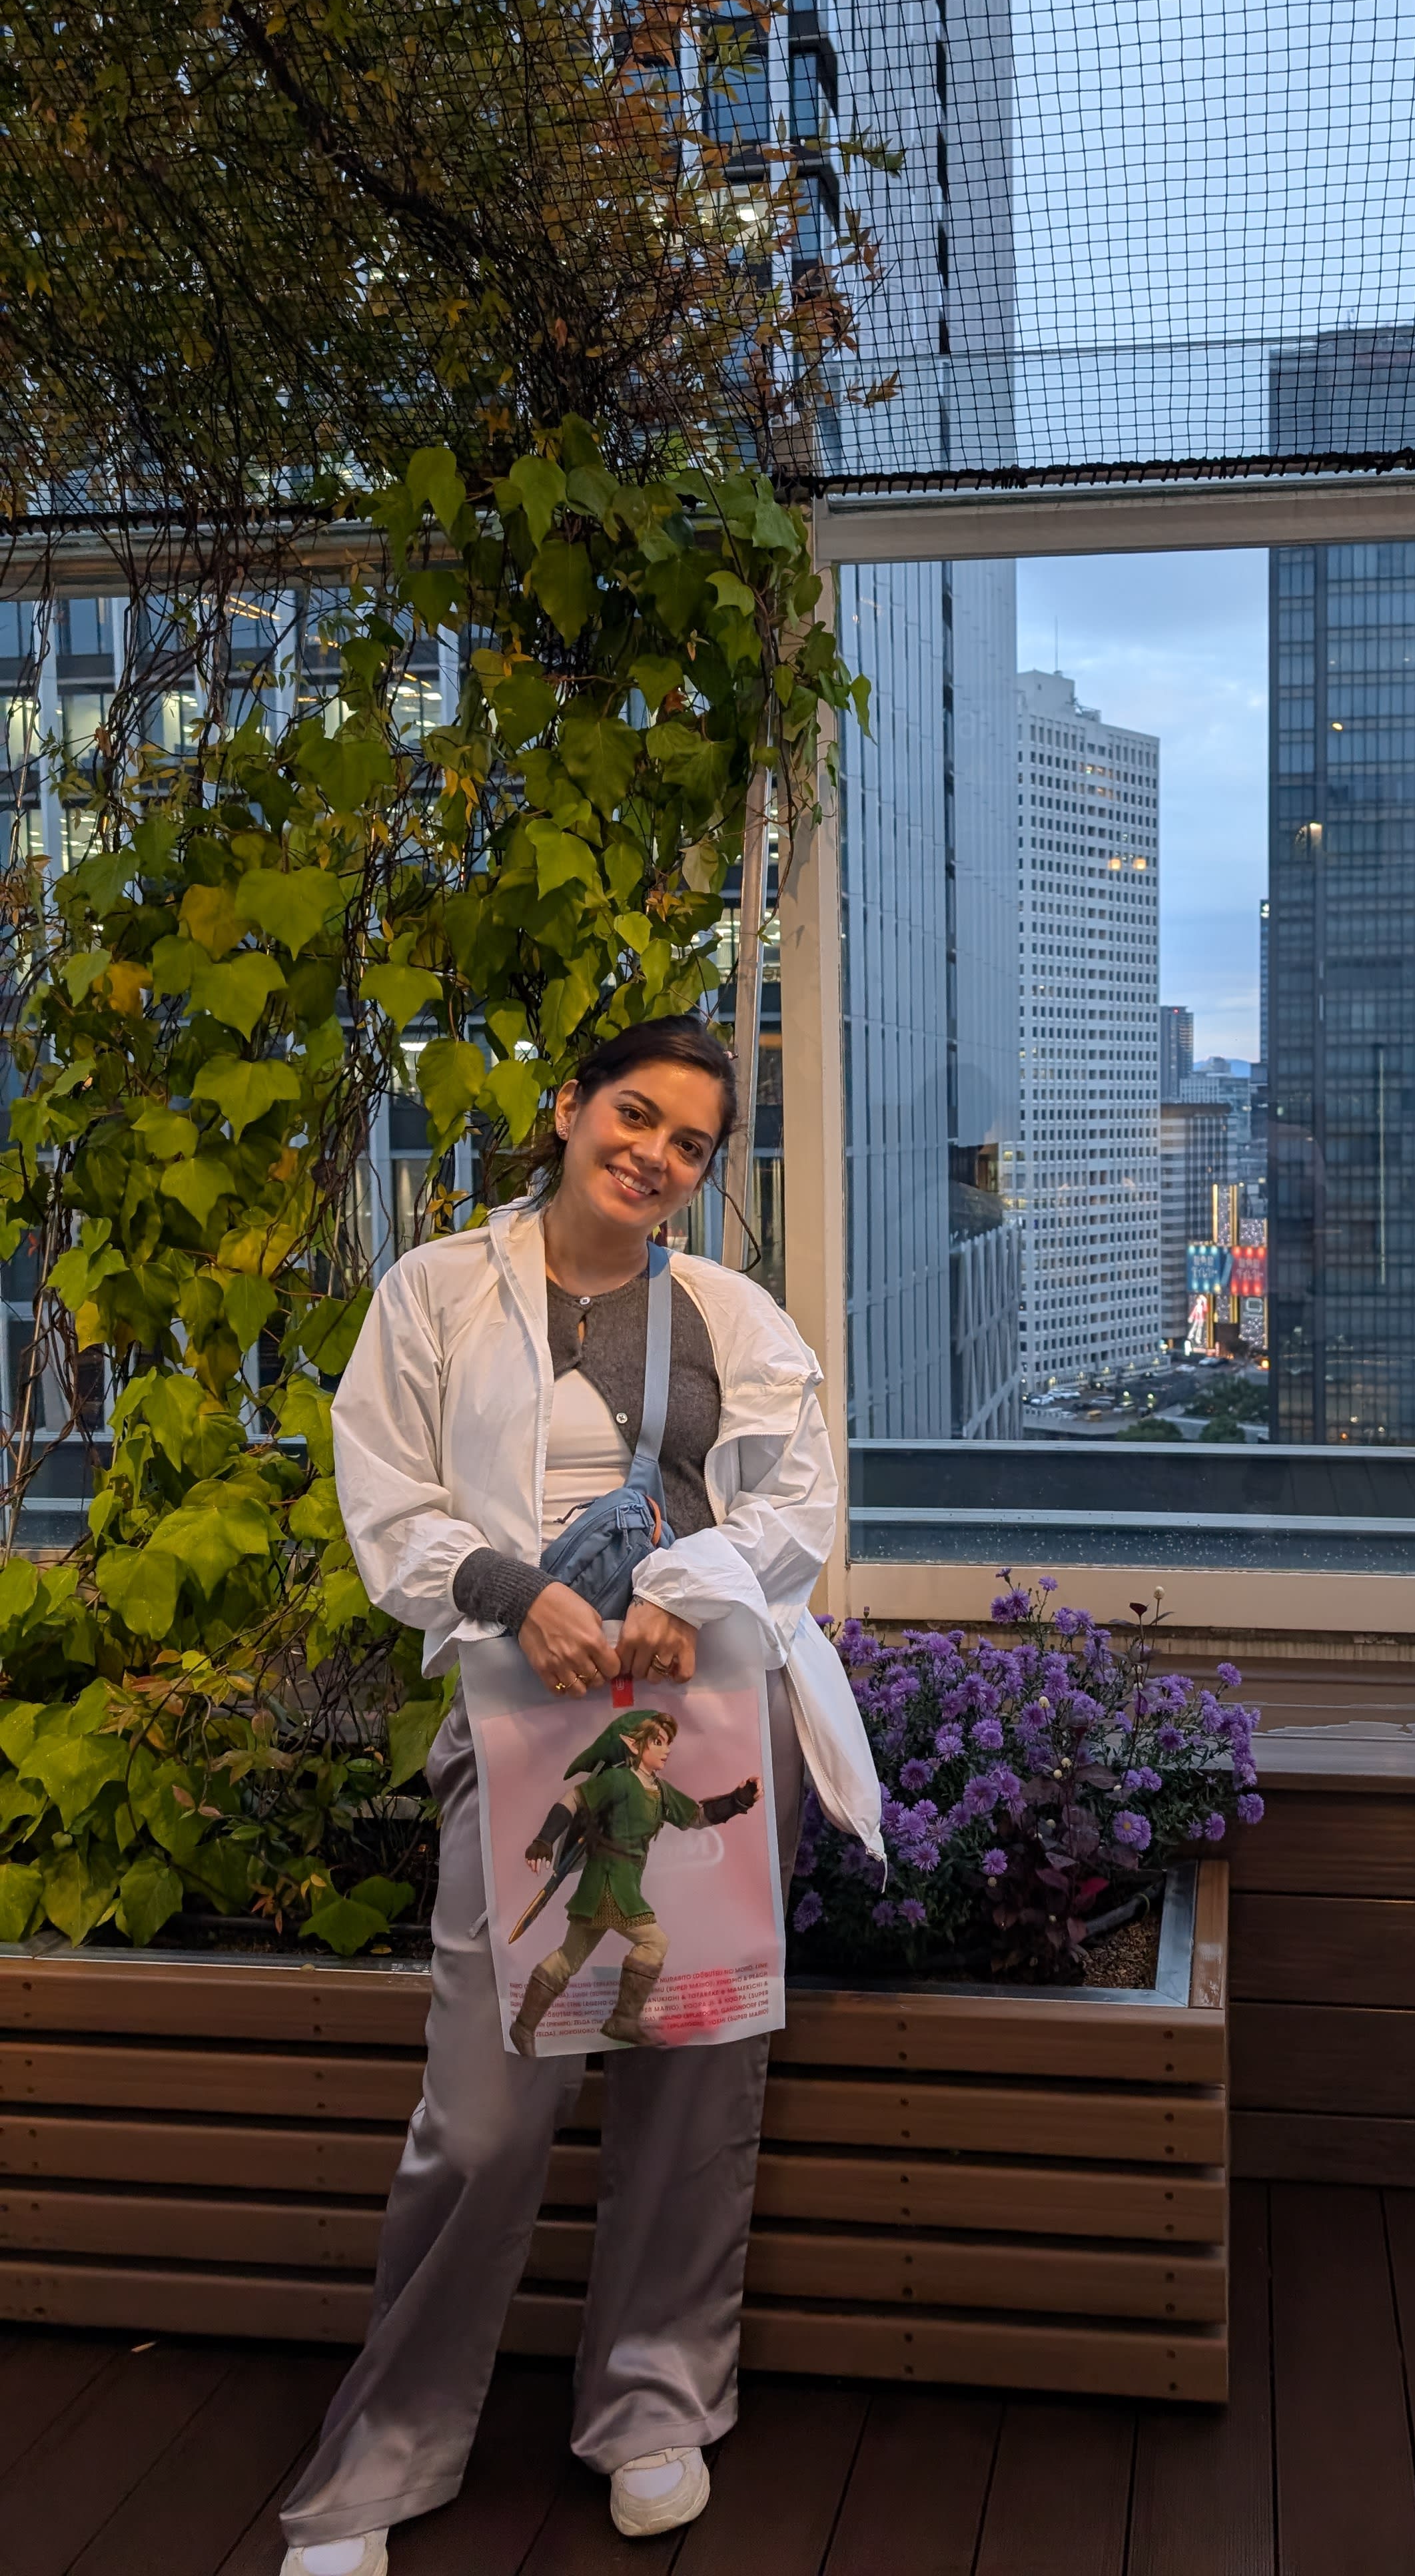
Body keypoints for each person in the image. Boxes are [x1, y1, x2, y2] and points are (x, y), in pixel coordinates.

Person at [277, 1016, 881, 2576]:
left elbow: (796, 1496)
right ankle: (389, 2446)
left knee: (693, 2074)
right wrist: (501, 1582)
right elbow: (385, 1488)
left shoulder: (731, 1311)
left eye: (689, 1141)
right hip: (520, 1711)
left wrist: (695, 1579)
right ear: (566, 1108)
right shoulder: (437, 1293)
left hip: (707, 1716)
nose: (656, 1155)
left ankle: (653, 2399)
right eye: (634, 1114)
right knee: (481, 2110)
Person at [510, 1706, 761, 2053]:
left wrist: (737, 1801)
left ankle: (523, 2027)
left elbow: (698, 1817)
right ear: (632, 1744)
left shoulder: (659, 1790)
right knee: (654, 1943)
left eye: (667, 1742)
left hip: (620, 1880)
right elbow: (572, 1800)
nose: (666, 1748)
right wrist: (544, 1839)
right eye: (657, 1741)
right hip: (611, 1882)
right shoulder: (617, 1780)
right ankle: (623, 2019)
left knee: (569, 1958)